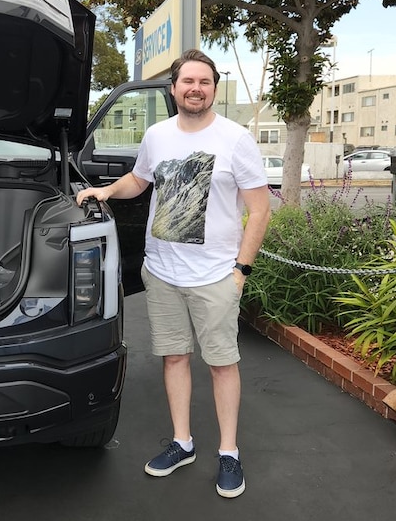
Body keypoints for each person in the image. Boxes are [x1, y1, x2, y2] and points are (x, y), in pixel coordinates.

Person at [76, 49, 270, 498]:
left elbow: (259, 211)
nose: (195, 89)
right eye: (188, 81)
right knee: (175, 358)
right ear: (174, 87)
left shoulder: (235, 139)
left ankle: (229, 453)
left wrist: (241, 270)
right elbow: (139, 181)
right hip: (162, 274)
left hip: (216, 277)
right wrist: (104, 190)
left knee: (222, 365)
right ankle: (182, 442)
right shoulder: (158, 135)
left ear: (213, 90)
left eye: (204, 82)